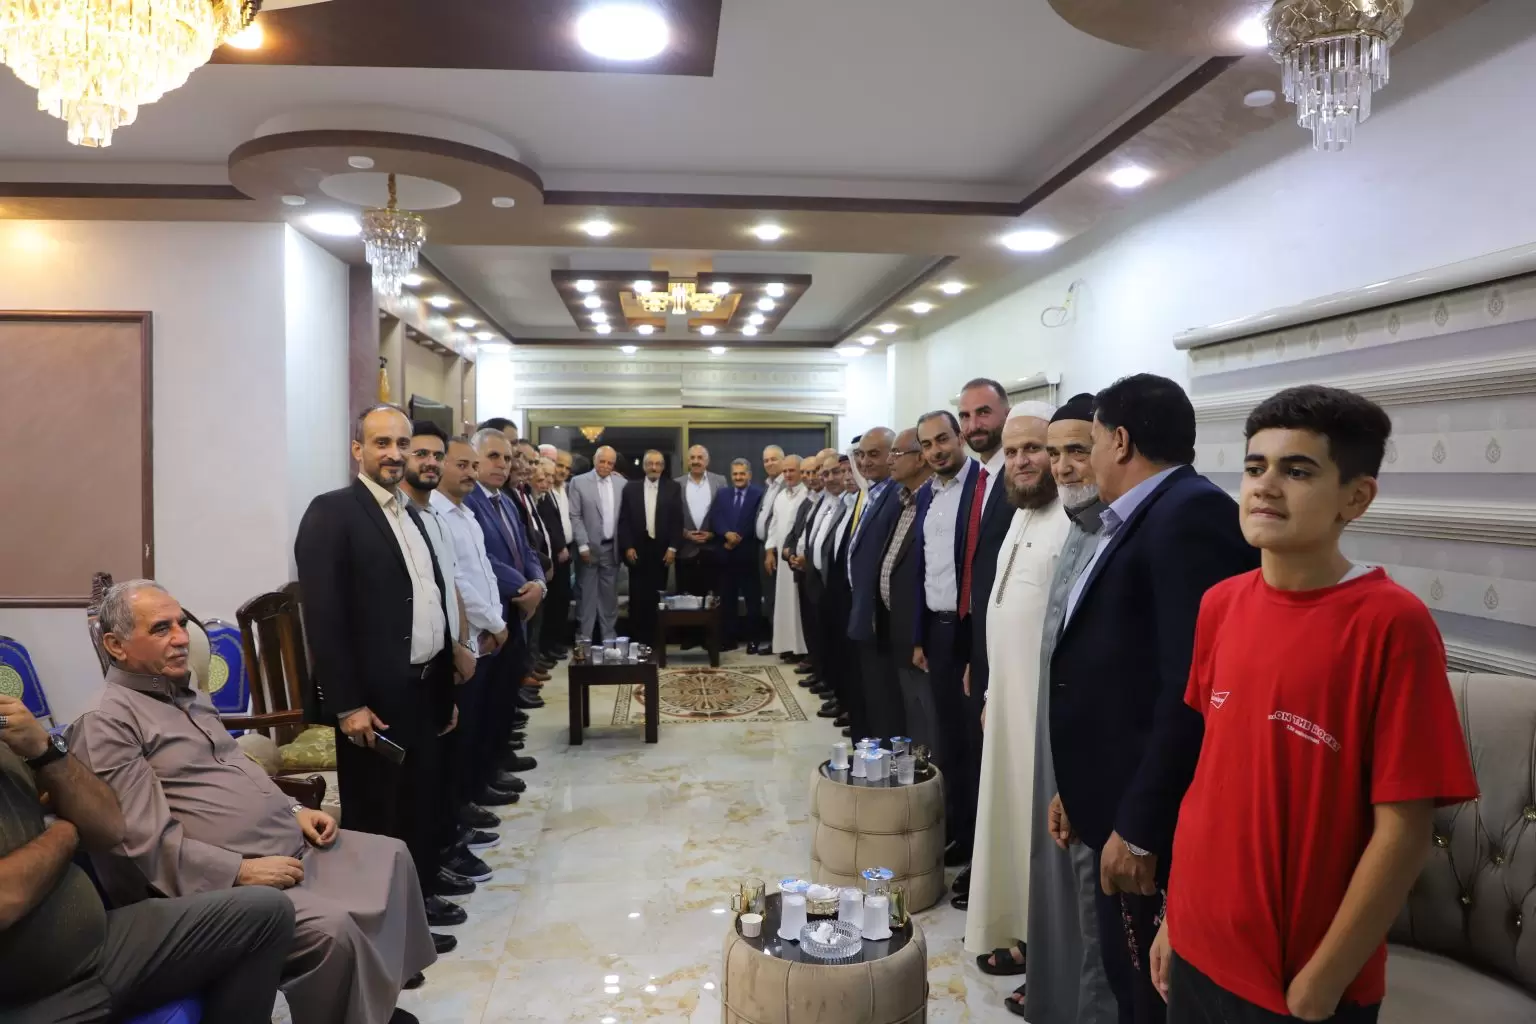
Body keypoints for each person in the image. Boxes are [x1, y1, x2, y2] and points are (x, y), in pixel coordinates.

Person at [1150, 385, 1478, 1024]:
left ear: (1356, 498)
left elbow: (1405, 830)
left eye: (1297, 471)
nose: (1265, 487)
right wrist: (1173, 916)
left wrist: (1323, 981)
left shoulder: (1390, 624)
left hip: (1299, 981)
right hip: (1197, 947)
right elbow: (1210, 781)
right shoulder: (1220, 604)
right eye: (1255, 468)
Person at [70, 580, 439, 1024]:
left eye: (181, 624)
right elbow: (138, 844)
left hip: (284, 842)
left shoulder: (185, 693)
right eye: (161, 628)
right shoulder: (106, 721)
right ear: (116, 645)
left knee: (391, 856)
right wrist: (239, 872)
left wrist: (296, 811)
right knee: (331, 930)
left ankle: (373, 1000)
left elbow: (238, 770)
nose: (182, 638)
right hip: (215, 883)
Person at [1050, 374, 1259, 1024]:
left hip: (1152, 824)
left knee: (1148, 995)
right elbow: (1116, 672)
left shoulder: (1188, 516)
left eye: (1089, 442)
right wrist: (1079, 788)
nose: (1086, 458)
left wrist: (1140, 825)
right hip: (1114, 797)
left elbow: (1189, 690)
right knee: (1125, 980)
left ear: (1119, 440)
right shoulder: (1140, 514)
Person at [0, 687, 295, 1024]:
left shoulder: (8, 739)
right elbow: (6, 897)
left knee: (267, 914)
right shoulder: (106, 717)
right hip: (27, 997)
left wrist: (47, 752)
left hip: (102, 944)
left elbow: (109, 828)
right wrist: (64, 833)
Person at [294, 404, 461, 931]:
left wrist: (445, 687)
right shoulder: (333, 512)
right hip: (373, 701)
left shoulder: (409, 513)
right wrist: (347, 704)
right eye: (381, 443)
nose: (394, 453)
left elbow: (429, 598)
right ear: (357, 450)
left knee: (419, 803)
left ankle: (420, 904)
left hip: (423, 687)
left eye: (401, 444)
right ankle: (384, 927)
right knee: (378, 815)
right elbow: (324, 618)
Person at [964, 404, 1073, 991]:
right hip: (1006, 707)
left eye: (1035, 449)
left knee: (1044, 841)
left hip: (1046, 717)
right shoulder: (1020, 515)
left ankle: (1050, 961)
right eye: (1012, 452)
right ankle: (1021, 932)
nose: (1023, 461)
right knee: (1009, 825)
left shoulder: (1074, 522)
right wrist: (990, 691)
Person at [1025, 394, 1117, 1024]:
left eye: (1076, 451)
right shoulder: (1078, 525)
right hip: (1055, 729)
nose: (1062, 467)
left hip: (1094, 748)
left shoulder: (1116, 533)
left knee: (1091, 903)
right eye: (1053, 453)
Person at [399, 423, 499, 887]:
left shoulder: (441, 516)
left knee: (452, 753)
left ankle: (449, 842)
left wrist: (464, 640)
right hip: (415, 665)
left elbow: (455, 583)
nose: (431, 463)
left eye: (438, 456)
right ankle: (433, 861)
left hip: (455, 648)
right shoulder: (403, 517)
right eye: (420, 453)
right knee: (433, 766)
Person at [429, 437, 519, 840]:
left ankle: (475, 790)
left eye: (472, 465)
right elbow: (458, 583)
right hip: (468, 638)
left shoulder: (465, 513)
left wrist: (496, 622)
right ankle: (458, 810)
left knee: (479, 721)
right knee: (461, 731)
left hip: (485, 632)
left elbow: (484, 571)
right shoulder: (436, 514)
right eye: (461, 464)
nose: (470, 472)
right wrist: (494, 623)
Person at [950, 378, 1015, 895]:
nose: (975, 424)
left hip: (1008, 643)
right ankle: (978, 853)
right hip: (979, 638)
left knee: (997, 763)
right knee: (975, 754)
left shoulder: (1018, 478)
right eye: (967, 415)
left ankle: (992, 871)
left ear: (1005, 413)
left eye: (984, 413)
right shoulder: (979, 478)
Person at [911, 408, 981, 846]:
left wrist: (979, 650)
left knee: (973, 741)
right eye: (926, 444)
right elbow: (924, 568)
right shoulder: (927, 495)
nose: (935, 450)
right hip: (936, 631)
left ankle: (975, 839)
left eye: (942, 439)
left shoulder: (982, 488)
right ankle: (956, 829)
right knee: (948, 737)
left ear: (960, 438)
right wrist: (919, 636)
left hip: (968, 630)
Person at [845, 427, 902, 738]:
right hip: (863, 612)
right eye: (861, 455)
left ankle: (879, 758)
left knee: (883, 703)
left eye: (874, 454)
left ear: (892, 455)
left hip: (879, 618)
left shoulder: (896, 495)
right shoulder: (873, 492)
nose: (865, 462)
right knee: (869, 696)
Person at [878, 427, 934, 746]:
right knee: (912, 714)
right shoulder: (905, 499)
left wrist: (919, 636)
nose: (890, 460)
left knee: (928, 717)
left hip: (920, 633)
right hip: (898, 625)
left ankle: (929, 771)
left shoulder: (933, 499)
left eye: (897, 453)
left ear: (920, 458)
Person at [618, 449, 685, 647]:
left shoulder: (673, 488)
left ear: (663, 467)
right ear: (644, 466)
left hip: (662, 550)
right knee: (637, 598)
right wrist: (627, 546)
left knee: (657, 596)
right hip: (637, 549)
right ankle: (637, 642)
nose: (654, 467)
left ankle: (656, 642)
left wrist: (673, 548)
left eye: (658, 464)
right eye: (650, 464)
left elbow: (677, 520)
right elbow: (624, 520)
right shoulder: (630, 488)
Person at [568, 445, 626, 644]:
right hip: (588, 549)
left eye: (610, 463)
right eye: (602, 461)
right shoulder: (578, 482)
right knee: (586, 597)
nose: (606, 466)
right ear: (594, 460)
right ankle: (584, 640)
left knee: (609, 598)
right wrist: (583, 545)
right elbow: (574, 515)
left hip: (612, 549)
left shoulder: (622, 483)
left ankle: (609, 640)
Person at [709, 458, 764, 652]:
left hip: (748, 555)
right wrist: (726, 533)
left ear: (749, 475)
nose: (738, 477)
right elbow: (715, 517)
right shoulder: (722, 493)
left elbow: (757, 519)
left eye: (742, 473)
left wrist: (738, 537)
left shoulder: (759, 494)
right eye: (735, 474)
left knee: (752, 600)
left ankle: (753, 639)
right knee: (727, 600)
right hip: (726, 556)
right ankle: (729, 639)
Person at [763, 455, 809, 659]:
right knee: (784, 603)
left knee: (798, 605)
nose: (788, 474)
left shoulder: (807, 495)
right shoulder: (781, 496)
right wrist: (769, 551)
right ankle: (787, 646)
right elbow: (773, 526)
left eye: (792, 470)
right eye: (785, 471)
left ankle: (802, 649)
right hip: (783, 561)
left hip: (799, 559)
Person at [675, 444, 725, 604]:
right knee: (685, 601)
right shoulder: (676, 484)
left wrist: (713, 534)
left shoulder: (720, 481)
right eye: (692, 457)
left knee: (712, 602)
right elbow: (672, 516)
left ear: (707, 461)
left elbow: (725, 512)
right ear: (687, 461)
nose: (696, 461)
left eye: (700, 457)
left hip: (712, 550)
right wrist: (685, 533)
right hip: (685, 551)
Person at [533, 457, 571, 662]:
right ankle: (544, 649)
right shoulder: (536, 497)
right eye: (544, 476)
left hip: (556, 556)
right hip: (545, 558)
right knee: (550, 606)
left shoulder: (553, 494)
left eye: (550, 476)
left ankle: (551, 646)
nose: (547, 480)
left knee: (559, 602)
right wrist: (559, 546)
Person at [755, 445, 786, 649]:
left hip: (775, 550)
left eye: (774, 459)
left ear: (783, 460)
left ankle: (781, 642)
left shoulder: (787, 484)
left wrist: (770, 550)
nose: (769, 463)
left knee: (778, 597)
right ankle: (776, 640)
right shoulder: (769, 485)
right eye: (766, 460)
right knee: (769, 596)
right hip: (763, 547)